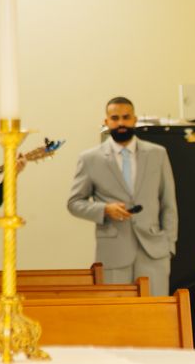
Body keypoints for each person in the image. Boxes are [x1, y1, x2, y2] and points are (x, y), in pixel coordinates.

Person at [67, 97, 178, 296]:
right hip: (113, 253)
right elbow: (74, 203)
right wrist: (104, 210)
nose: (121, 123)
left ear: (135, 120)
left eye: (126, 117)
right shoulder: (90, 159)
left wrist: (169, 244)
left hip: (154, 252)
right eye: (115, 118)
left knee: (155, 315)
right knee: (117, 317)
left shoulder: (158, 154)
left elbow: (168, 203)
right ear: (106, 122)